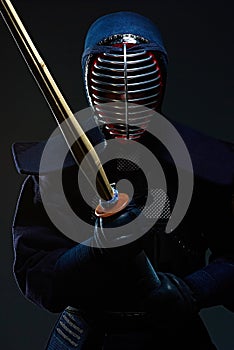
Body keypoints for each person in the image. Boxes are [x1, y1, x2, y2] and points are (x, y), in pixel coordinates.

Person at [11, 11, 234, 350]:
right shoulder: (56, 171)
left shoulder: (202, 166)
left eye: (139, 80)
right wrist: (95, 250)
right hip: (87, 337)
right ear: (91, 79)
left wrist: (193, 290)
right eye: (112, 85)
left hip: (174, 334)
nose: (126, 100)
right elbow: (35, 274)